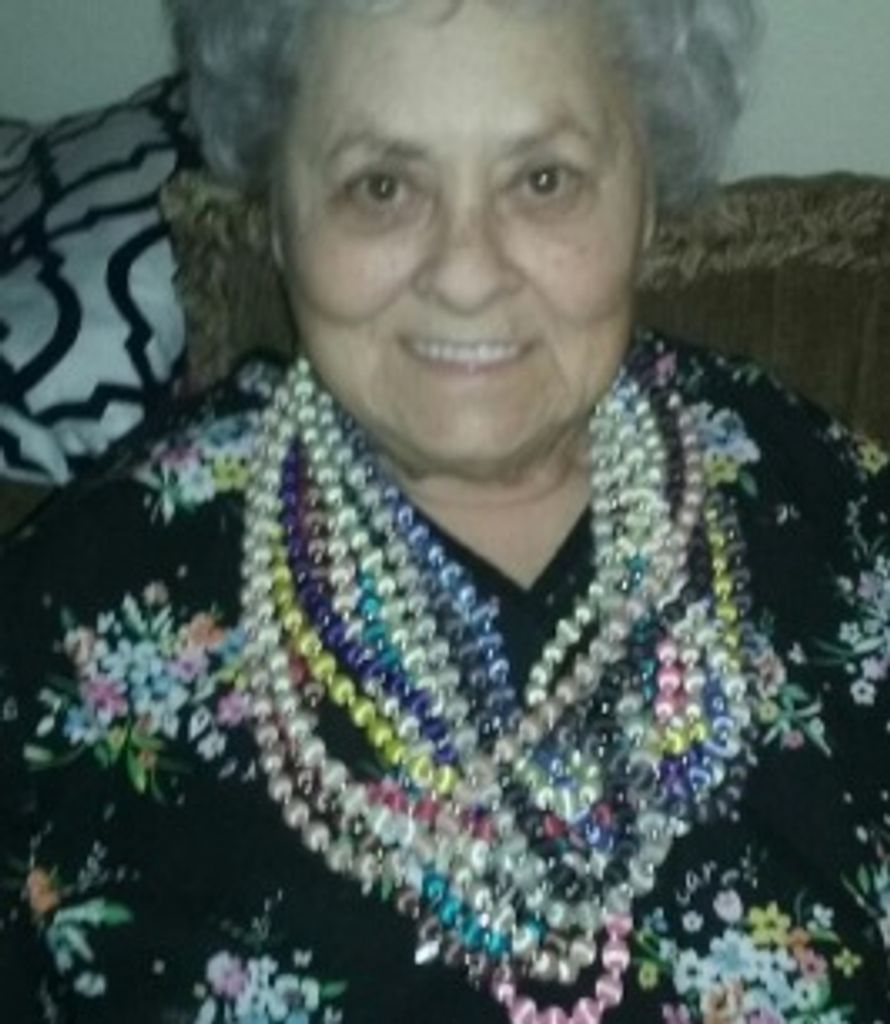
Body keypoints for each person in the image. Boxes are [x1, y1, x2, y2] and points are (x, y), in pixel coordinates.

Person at [1, 1, 888, 1022]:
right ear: (279, 214)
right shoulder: (59, 624)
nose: (466, 274)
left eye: (542, 179)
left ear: (645, 197)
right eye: (381, 186)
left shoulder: (842, 532)